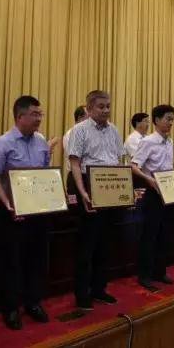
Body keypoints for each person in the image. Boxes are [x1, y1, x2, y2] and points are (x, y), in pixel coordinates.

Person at [0, 96, 51, 330]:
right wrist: (7, 202)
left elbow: (45, 174)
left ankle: (33, 302)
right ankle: (11, 308)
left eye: (40, 114)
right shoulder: (3, 143)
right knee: (11, 262)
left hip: (37, 211)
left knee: (36, 259)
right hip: (11, 212)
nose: (39, 119)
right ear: (20, 116)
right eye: (35, 114)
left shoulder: (41, 142)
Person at [67, 90, 124, 310]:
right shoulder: (79, 130)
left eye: (108, 106)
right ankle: (82, 294)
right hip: (88, 185)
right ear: (89, 108)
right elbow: (74, 163)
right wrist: (82, 192)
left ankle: (99, 289)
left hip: (110, 186)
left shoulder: (114, 130)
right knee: (86, 246)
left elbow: (118, 161)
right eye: (101, 106)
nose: (106, 110)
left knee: (106, 244)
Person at [131, 105, 174, 292]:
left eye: (172, 119)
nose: (171, 123)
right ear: (156, 120)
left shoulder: (170, 141)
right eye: (167, 119)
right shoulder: (148, 141)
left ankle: (160, 271)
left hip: (168, 192)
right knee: (149, 236)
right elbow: (134, 166)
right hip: (152, 194)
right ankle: (145, 275)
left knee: (164, 235)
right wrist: (149, 179)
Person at [63, 105, 88, 172]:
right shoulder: (70, 134)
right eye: (89, 117)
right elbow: (76, 159)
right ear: (80, 118)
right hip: (77, 173)